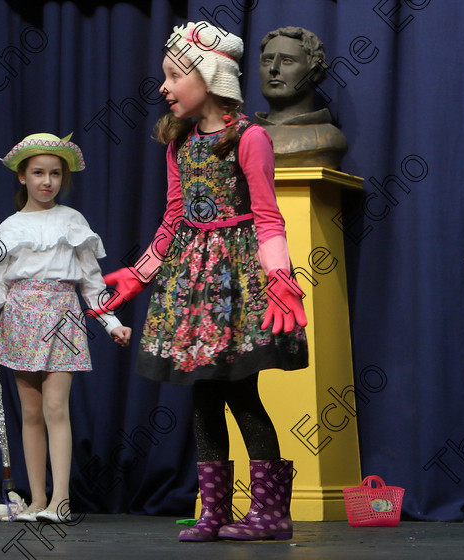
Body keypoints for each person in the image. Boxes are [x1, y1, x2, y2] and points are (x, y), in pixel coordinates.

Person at [95, 22, 308, 541]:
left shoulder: (250, 139)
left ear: (209, 76)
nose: (164, 87)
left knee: (241, 394)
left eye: (173, 75)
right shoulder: (179, 142)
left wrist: (279, 277)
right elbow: (173, 219)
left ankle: (271, 513)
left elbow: (268, 216)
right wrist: (140, 275)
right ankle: (213, 511)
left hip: (235, 284)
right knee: (203, 397)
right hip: (191, 285)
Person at [0, 133, 131, 523]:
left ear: (63, 178)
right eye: (39, 173)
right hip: (20, 318)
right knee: (30, 412)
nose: (47, 181)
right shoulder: (9, 227)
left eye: (55, 173)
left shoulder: (73, 221)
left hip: (62, 316)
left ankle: (61, 500)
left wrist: (112, 323)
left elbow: (92, 284)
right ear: (22, 176)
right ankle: (37, 499)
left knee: (55, 406)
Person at [254, 26, 348, 169]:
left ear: (314, 72)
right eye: (267, 60)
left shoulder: (326, 139)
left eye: (287, 61)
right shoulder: (242, 137)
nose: (273, 68)